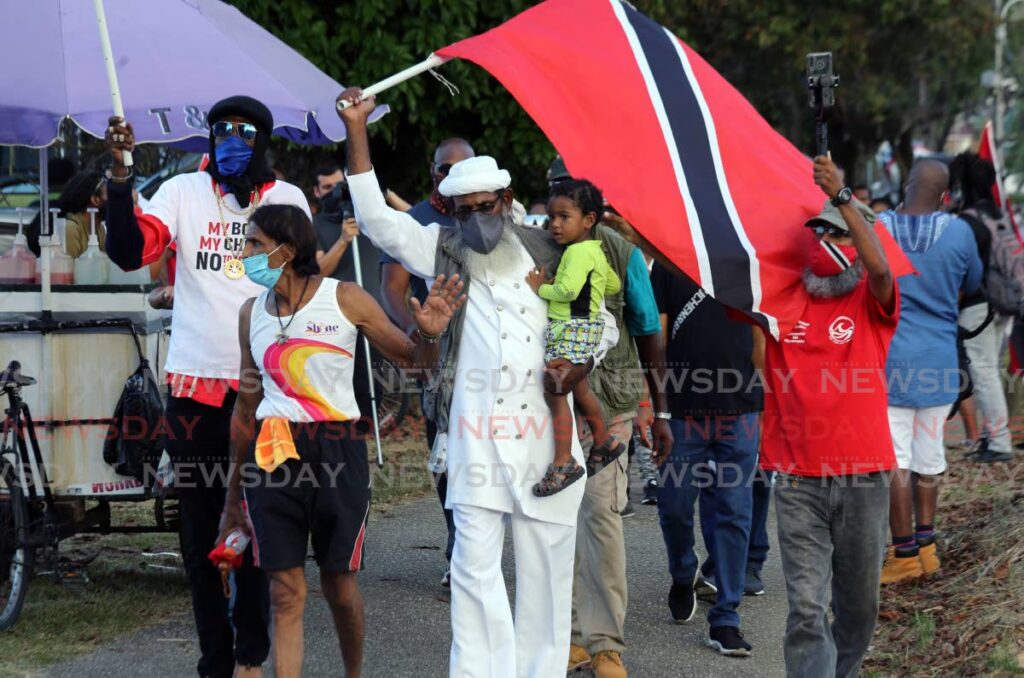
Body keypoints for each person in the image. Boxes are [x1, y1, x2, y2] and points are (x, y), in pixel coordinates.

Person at [337, 87, 618, 677]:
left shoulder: (550, 245)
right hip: (473, 436)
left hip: (547, 436)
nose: (474, 221)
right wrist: (356, 129)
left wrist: (580, 366)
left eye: (484, 208)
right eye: (461, 210)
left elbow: (605, 326)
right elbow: (375, 219)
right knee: (472, 570)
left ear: (507, 200)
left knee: (546, 567)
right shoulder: (439, 249)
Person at [104, 96, 311, 678]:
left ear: (264, 140)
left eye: (245, 133)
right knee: (198, 533)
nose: (231, 141)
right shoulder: (181, 192)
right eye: (221, 132)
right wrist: (122, 177)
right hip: (195, 396)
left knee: (256, 522)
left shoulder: (285, 200)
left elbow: (306, 282)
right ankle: (215, 661)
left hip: (268, 392)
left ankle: (250, 654)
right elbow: (129, 251)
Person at [218, 203, 465, 678]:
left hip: (337, 451)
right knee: (285, 590)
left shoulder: (345, 298)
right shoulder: (252, 314)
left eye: (254, 244)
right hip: (273, 454)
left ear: (286, 252)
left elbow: (416, 361)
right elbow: (246, 407)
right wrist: (232, 497)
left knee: (339, 587)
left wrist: (430, 334)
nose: (245, 253)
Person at [761, 156, 898, 678]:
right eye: (819, 236)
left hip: (864, 479)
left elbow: (882, 267)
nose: (825, 246)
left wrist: (842, 196)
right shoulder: (780, 302)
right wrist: (645, 233)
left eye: (838, 238)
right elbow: (710, 270)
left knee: (859, 609)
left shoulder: (872, 299)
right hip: (798, 483)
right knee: (806, 611)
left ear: (858, 249)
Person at [562, 196, 669, 678]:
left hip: (612, 403)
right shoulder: (539, 245)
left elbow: (648, 329)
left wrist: (659, 409)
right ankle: (565, 635)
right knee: (555, 519)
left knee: (601, 515)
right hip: (548, 406)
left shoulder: (623, 254)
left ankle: (604, 644)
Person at [648, 265, 763, 657]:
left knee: (733, 511)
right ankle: (683, 572)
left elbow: (762, 332)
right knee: (674, 506)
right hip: (682, 411)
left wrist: (767, 402)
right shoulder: (667, 265)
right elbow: (655, 340)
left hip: (741, 410)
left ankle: (726, 617)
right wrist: (657, 409)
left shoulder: (748, 261)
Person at [878, 160, 983, 584]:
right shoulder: (959, 231)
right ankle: (927, 548)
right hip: (940, 361)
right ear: (945, 195)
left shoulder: (878, 225)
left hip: (891, 363)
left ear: (905, 185)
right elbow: (973, 281)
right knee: (929, 457)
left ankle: (902, 555)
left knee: (896, 463)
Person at [379, 137, 475, 587]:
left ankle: (479, 544)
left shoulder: (491, 215)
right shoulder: (415, 220)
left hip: (489, 357)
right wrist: (417, 332)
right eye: (443, 169)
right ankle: (458, 544)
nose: (451, 177)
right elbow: (393, 290)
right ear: (432, 171)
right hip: (439, 357)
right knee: (446, 453)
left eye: (462, 168)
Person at [525, 179, 624, 496]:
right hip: (588, 327)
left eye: (564, 216)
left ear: (589, 219)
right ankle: (603, 439)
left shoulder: (576, 253)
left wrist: (541, 288)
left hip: (572, 328)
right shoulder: (595, 251)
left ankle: (564, 462)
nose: (554, 224)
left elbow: (566, 291)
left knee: (555, 391)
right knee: (579, 388)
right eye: (551, 216)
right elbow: (613, 286)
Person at [949, 152, 1017, 463]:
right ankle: (993, 435)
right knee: (990, 366)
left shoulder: (967, 221)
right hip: (1003, 303)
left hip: (978, 305)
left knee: (984, 370)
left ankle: (999, 442)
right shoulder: (996, 214)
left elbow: (964, 271)